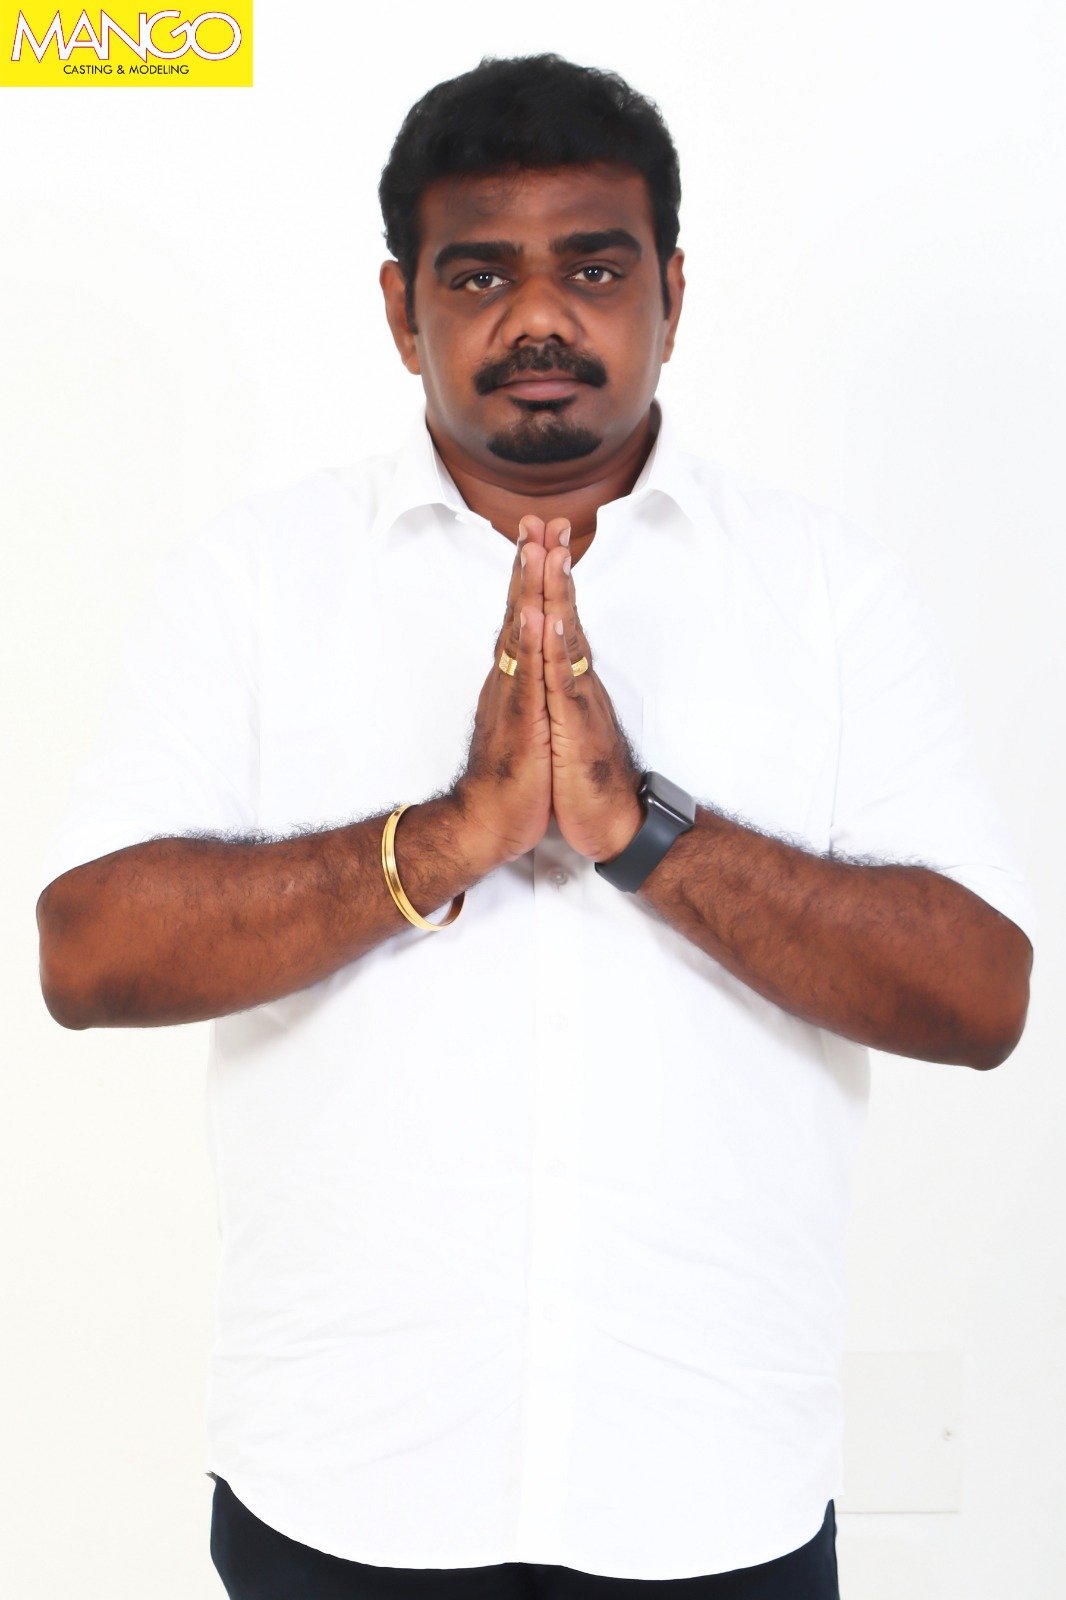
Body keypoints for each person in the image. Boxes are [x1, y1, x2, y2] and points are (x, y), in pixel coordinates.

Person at [36, 52, 1035, 1600]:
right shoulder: (254, 577)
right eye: (480, 273)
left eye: (595, 266)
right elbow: (86, 955)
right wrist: (449, 837)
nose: (539, 319)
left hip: (713, 1496)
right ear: (401, 309)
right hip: (343, 1490)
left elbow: (979, 997)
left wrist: (644, 836)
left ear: (672, 294)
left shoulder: (828, 591)